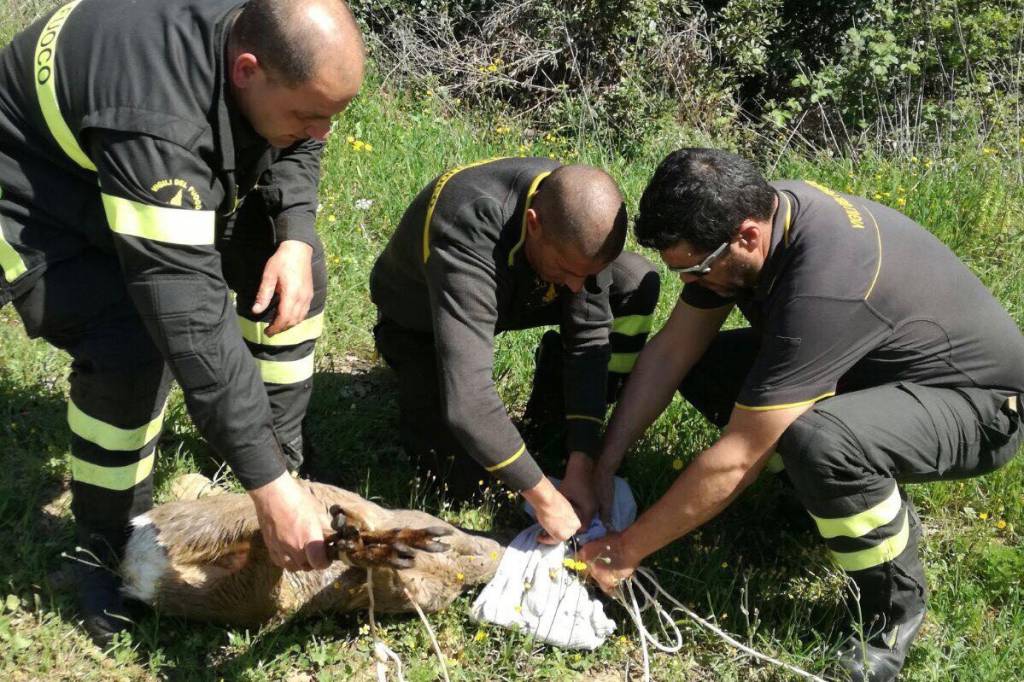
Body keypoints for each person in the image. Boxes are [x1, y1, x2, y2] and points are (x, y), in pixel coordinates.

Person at [574, 148, 1024, 681]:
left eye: (695, 270)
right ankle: (827, 494)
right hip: (873, 368)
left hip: (979, 405)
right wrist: (606, 463)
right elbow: (674, 351)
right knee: (707, 367)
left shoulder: (826, 280)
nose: (689, 285)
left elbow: (739, 457)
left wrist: (626, 551)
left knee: (821, 441)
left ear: (746, 237)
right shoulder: (758, 219)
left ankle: (892, 612)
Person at [0, 0, 364, 645]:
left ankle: (285, 456)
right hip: (34, 187)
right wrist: (269, 492)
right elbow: (187, 314)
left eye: (333, 116)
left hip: (131, 146)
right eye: (310, 115)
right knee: (130, 348)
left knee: (287, 274)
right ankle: (105, 546)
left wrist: (297, 234)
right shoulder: (156, 117)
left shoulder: (264, 43)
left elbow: (302, 133)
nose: (323, 134)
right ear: (246, 69)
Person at [370, 157, 660, 544]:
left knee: (633, 280)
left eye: (586, 275)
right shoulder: (466, 224)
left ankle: (552, 424)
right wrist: (544, 498)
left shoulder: (577, 217)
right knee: (464, 483)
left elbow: (590, 338)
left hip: (516, 292)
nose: (578, 287)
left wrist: (582, 457)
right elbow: (469, 404)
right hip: (420, 321)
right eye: (568, 270)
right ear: (534, 224)